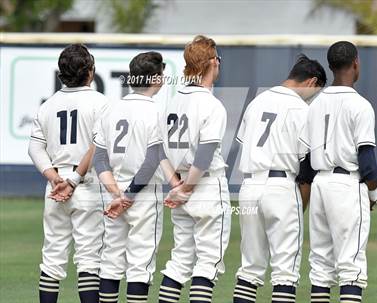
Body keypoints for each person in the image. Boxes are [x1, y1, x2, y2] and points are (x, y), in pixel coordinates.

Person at [232, 55, 326, 303]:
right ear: (312, 81)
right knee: (285, 271)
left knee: (250, 267)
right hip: (281, 186)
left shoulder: (257, 101)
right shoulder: (302, 109)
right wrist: (300, 204)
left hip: (249, 186)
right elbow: (307, 165)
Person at [92, 51, 180, 303]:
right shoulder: (156, 111)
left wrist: (116, 194)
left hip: (113, 194)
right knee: (140, 264)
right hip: (141, 195)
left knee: (110, 260)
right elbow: (152, 159)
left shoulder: (112, 108)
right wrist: (128, 196)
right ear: (156, 79)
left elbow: (99, 158)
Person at [299, 41, 377, 303]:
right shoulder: (361, 105)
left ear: (331, 66)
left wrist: (306, 195)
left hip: (320, 183)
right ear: (356, 63)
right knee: (351, 267)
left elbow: (307, 161)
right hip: (346, 185)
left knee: (321, 267)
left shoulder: (315, 104)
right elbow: (367, 159)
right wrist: (373, 195)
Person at [28, 44, 107, 303]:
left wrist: (54, 178)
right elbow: (99, 146)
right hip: (85, 184)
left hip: (55, 188)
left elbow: (34, 148)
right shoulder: (100, 102)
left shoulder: (48, 105)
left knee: (52, 258)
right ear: (90, 72)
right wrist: (72, 180)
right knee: (88, 260)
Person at [157, 35, 231, 303]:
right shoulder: (211, 104)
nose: (219, 64)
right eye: (218, 59)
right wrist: (187, 187)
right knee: (208, 262)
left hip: (180, 185)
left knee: (180, 260)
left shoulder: (172, 101)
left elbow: (157, 149)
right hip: (206, 184)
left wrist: (175, 184)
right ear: (212, 62)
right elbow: (206, 152)